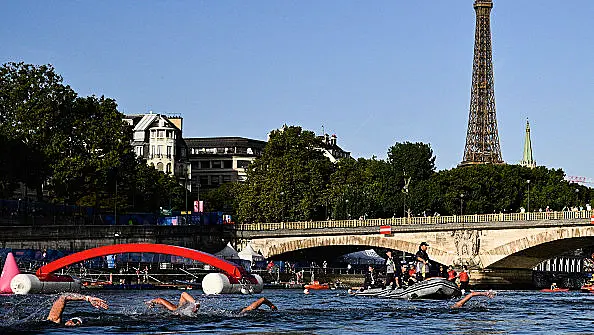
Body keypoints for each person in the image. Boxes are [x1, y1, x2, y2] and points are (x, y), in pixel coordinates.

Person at [147, 292, 277, 315]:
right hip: (187, 310)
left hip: (181, 312)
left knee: (247, 310)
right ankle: (194, 304)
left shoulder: (173, 309)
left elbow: (159, 300)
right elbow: (159, 300)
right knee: (182, 294)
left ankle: (194, 304)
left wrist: (151, 302)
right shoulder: (175, 307)